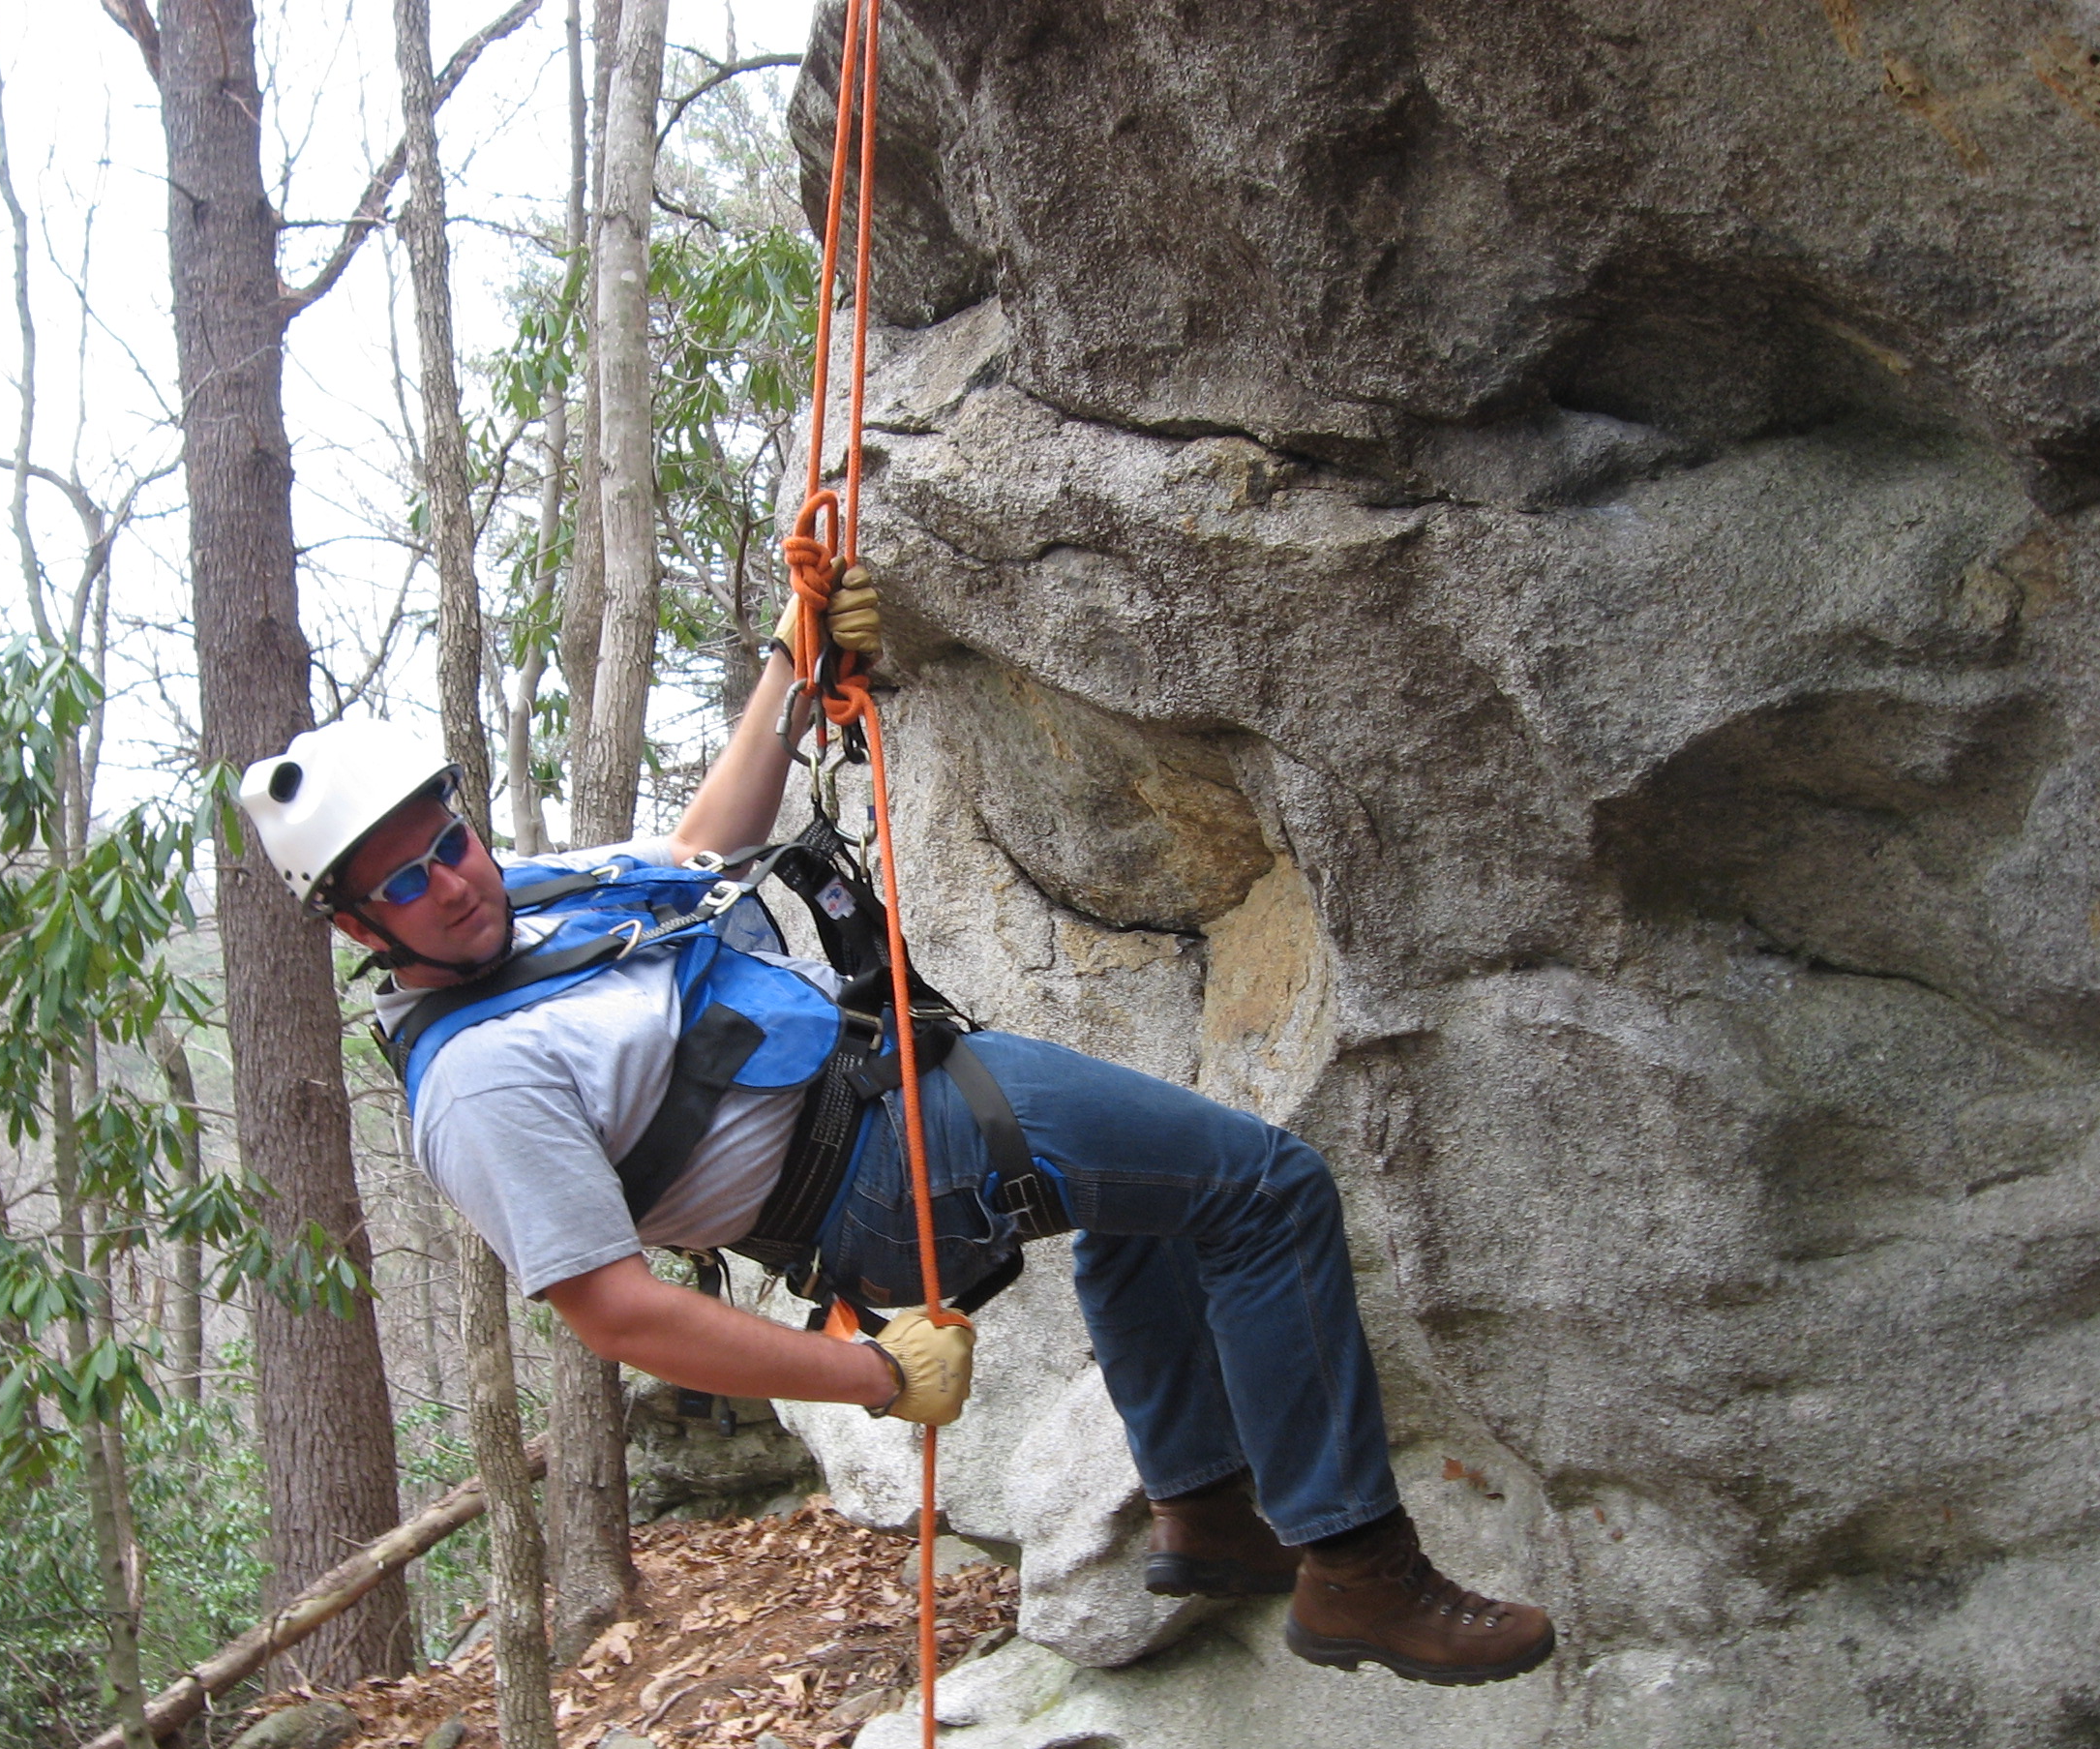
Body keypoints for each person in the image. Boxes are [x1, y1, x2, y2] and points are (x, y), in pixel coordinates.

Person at [241, 567, 1554, 1685]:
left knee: (1148, 1203)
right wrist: (875, 1378)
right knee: (1265, 1189)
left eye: (448, 841)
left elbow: (699, 859)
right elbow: (618, 1315)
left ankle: (1203, 1509)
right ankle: (1358, 1565)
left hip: (884, 1104)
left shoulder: (531, 898)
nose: (451, 883)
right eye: (403, 883)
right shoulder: (480, 1084)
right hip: (882, 1165)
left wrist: (791, 665)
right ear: (355, 926)